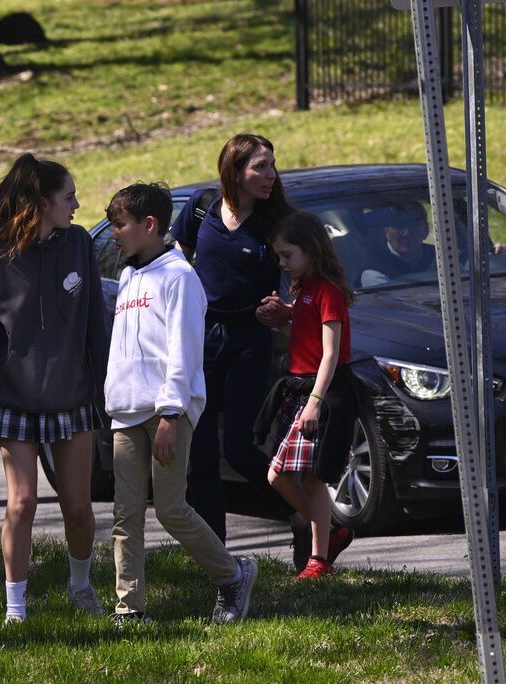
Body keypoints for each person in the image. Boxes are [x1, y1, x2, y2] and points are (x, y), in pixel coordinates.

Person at [0, 153, 110, 626]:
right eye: (69, 197)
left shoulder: (80, 243)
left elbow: (95, 324)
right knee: (21, 503)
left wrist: (108, 394)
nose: (77, 204)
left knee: (80, 509)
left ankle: (80, 586)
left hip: (73, 397)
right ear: (41, 201)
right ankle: (15, 608)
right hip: (15, 400)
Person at [104, 182, 257, 625]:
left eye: (120, 225)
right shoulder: (130, 276)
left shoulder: (180, 277)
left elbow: (184, 351)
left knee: (171, 509)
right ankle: (129, 610)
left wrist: (171, 414)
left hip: (165, 413)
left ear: (149, 225)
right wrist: (114, 399)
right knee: (124, 515)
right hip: (126, 414)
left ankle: (233, 575)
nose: (114, 234)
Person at [170, 133, 311, 569]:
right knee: (200, 456)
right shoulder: (201, 206)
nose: (270, 175)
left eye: (272, 165)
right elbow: (178, 258)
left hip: (251, 338)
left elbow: (305, 279)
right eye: (260, 167)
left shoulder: (279, 220)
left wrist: (286, 310)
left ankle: (303, 518)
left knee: (241, 449)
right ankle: (217, 562)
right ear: (235, 170)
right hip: (203, 338)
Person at [254, 211, 357, 580]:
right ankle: (328, 538)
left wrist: (315, 402)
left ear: (311, 250)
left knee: (307, 478)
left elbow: (331, 353)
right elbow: (306, 334)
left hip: (322, 394)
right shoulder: (305, 289)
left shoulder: (328, 292)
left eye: (287, 255)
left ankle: (319, 557)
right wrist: (283, 318)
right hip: (300, 390)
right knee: (282, 476)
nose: (281, 264)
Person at [358, 203, 435, 288]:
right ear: (386, 231)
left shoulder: (439, 256)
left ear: (426, 231)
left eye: (414, 226)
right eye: (399, 227)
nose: (406, 234)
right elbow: (387, 301)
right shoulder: (374, 272)